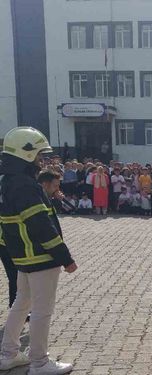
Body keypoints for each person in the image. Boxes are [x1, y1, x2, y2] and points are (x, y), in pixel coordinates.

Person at [0, 127, 76, 374]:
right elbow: (41, 225)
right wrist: (65, 258)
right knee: (42, 310)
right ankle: (40, 362)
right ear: (26, 153)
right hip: (41, 256)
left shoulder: (8, 181)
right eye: (38, 155)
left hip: (23, 256)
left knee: (21, 305)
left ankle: (8, 354)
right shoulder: (25, 186)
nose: (41, 160)